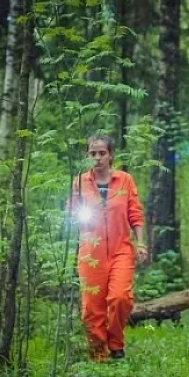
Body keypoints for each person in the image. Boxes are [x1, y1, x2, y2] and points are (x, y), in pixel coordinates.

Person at [68, 135, 148, 362]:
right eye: (93, 153)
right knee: (92, 307)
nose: (97, 158)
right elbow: (71, 213)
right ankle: (98, 354)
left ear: (111, 155)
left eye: (102, 153)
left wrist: (140, 243)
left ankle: (115, 343)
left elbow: (135, 214)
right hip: (90, 250)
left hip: (121, 248)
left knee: (120, 298)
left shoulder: (124, 180)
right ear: (87, 156)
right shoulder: (79, 182)